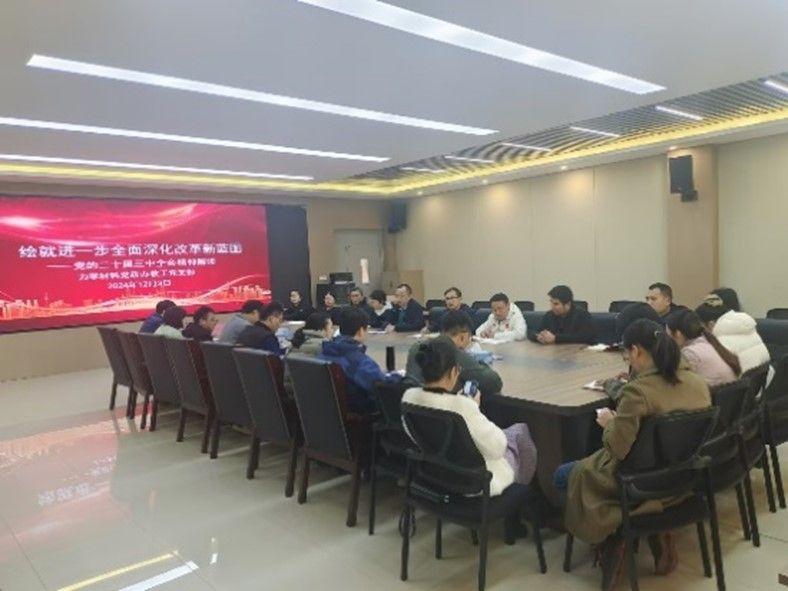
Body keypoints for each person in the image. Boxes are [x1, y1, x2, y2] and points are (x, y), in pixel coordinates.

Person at [556, 319, 711, 589]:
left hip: (636, 483)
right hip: (682, 479)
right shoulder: (698, 383)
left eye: (626, 354)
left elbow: (617, 448)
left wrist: (609, 423)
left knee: (562, 475)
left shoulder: (638, 391)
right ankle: (655, 530)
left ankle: (613, 539)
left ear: (636, 351)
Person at [402, 336, 537, 496]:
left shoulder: (408, 398)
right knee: (521, 432)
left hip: (436, 474)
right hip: (475, 482)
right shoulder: (463, 407)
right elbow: (498, 447)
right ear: (454, 372)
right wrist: (474, 407)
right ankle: (523, 495)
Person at [320, 307, 401, 413]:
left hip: (330, 410)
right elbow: (381, 385)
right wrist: (398, 376)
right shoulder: (358, 361)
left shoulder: (325, 351)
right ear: (361, 331)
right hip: (360, 412)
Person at [406, 310, 503, 397]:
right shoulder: (451, 352)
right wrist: (479, 363)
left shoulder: (417, 347)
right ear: (463, 337)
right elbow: (494, 383)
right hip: (439, 406)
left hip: (411, 404)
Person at [696, 293, 770, 374]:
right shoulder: (746, 326)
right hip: (762, 378)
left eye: (702, 326)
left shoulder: (719, 342)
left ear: (711, 324)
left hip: (740, 380)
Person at [666, 309, 740, 386]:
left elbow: (684, 385)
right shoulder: (709, 342)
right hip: (731, 390)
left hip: (716, 392)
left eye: (668, 334)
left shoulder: (689, 353)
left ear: (678, 334)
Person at [532, 285, 596, 345]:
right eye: (551, 302)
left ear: (567, 304)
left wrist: (556, 338)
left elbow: (585, 337)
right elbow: (535, 332)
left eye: (556, 304)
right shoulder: (549, 315)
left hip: (578, 351)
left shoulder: (582, 315)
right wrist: (539, 337)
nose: (552, 307)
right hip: (555, 350)